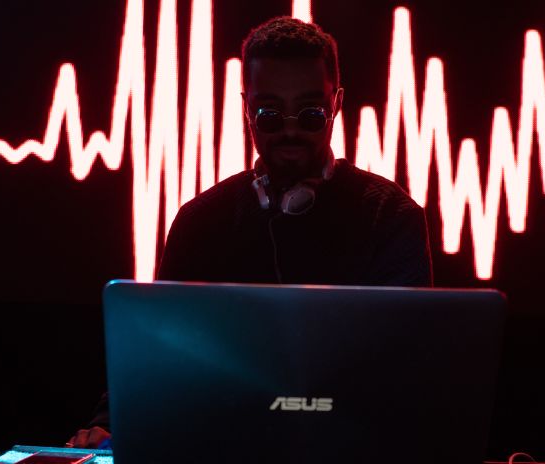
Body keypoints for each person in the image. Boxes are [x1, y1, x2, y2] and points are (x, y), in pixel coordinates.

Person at [67, 16, 432, 448]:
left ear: (337, 103)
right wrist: (110, 424)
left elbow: (409, 370)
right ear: (246, 107)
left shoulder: (390, 216)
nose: (291, 130)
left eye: (311, 114)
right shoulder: (200, 221)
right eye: (271, 114)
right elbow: (158, 354)